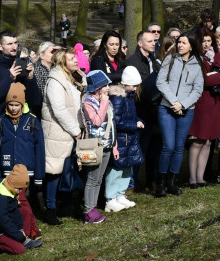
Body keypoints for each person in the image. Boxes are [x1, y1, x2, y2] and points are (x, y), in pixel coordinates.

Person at [154, 33, 203, 197]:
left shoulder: (198, 64)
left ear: (191, 46)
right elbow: (161, 82)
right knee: (168, 145)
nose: (180, 45)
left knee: (179, 147)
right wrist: (175, 102)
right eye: (179, 42)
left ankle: (172, 182)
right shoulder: (170, 59)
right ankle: (160, 183)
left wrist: (183, 105)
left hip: (186, 110)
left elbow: (198, 89)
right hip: (167, 108)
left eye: (184, 42)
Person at [40, 48, 84, 225]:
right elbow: (59, 109)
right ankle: (50, 209)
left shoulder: (76, 77)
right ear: (61, 62)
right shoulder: (55, 80)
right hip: (59, 132)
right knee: (54, 171)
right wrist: (76, 131)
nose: (76, 61)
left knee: (71, 169)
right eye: (72, 59)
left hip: (74, 131)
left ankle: (67, 205)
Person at [187, 29, 220, 187]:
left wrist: (216, 75)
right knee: (198, 140)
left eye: (209, 40)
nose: (206, 44)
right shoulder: (195, 57)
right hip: (202, 102)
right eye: (203, 41)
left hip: (215, 102)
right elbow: (202, 81)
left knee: (208, 141)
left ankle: (201, 177)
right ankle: (192, 178)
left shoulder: (216, 55)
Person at [0, 31, 43, 126]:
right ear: (0, 47)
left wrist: (30, 78)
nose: (14, 47)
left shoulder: (22, 64)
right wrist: (10, 78)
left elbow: (35, 101)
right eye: (9, 44)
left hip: (22, 126)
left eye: (15, 43)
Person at [125, 29, 162, 190]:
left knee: (153, 148)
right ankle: (131, 183)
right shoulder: (132, 62)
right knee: (137, 148)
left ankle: (150, 180)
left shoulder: (154, 61)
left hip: (154, 111)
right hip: (139, 111)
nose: (153, 43)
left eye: (154, 41)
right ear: (140, 43)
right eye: (149, 41)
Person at [0, 164, 42, 255]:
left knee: (25, 211)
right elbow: (3, 221)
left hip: (5, 225)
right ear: (13, 184)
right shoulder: (0, 198)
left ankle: (22, 239)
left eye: (23, 189)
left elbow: (15, 212)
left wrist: (20, 230)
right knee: (19, 249)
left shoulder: (10, 189)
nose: (21, 191)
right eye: (19, 188)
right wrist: (18, 235)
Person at [79, 71, 115, 223]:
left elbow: (111, 123)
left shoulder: (105, 99)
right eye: (105, 85)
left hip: (107, 145)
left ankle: (93, 208)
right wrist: (104, 102)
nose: (108, 88)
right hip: (94, 146)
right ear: (97, 87)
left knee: (99, 178)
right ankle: (88, 211)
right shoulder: (88, 102)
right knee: (92, 178)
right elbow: (97, 121)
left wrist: (115, 145)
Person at [106, 67, 143, 210]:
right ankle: (111, 198)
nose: (135, 88)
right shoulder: (118, 99)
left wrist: (138, 121)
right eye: (133, 85)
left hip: (129, 138)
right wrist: (135, 124)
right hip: (121, 139)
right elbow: (117, 121)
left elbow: (129, 116)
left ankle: (120, 194)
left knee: (127, 168)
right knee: (116, 170)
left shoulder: (129, 98)